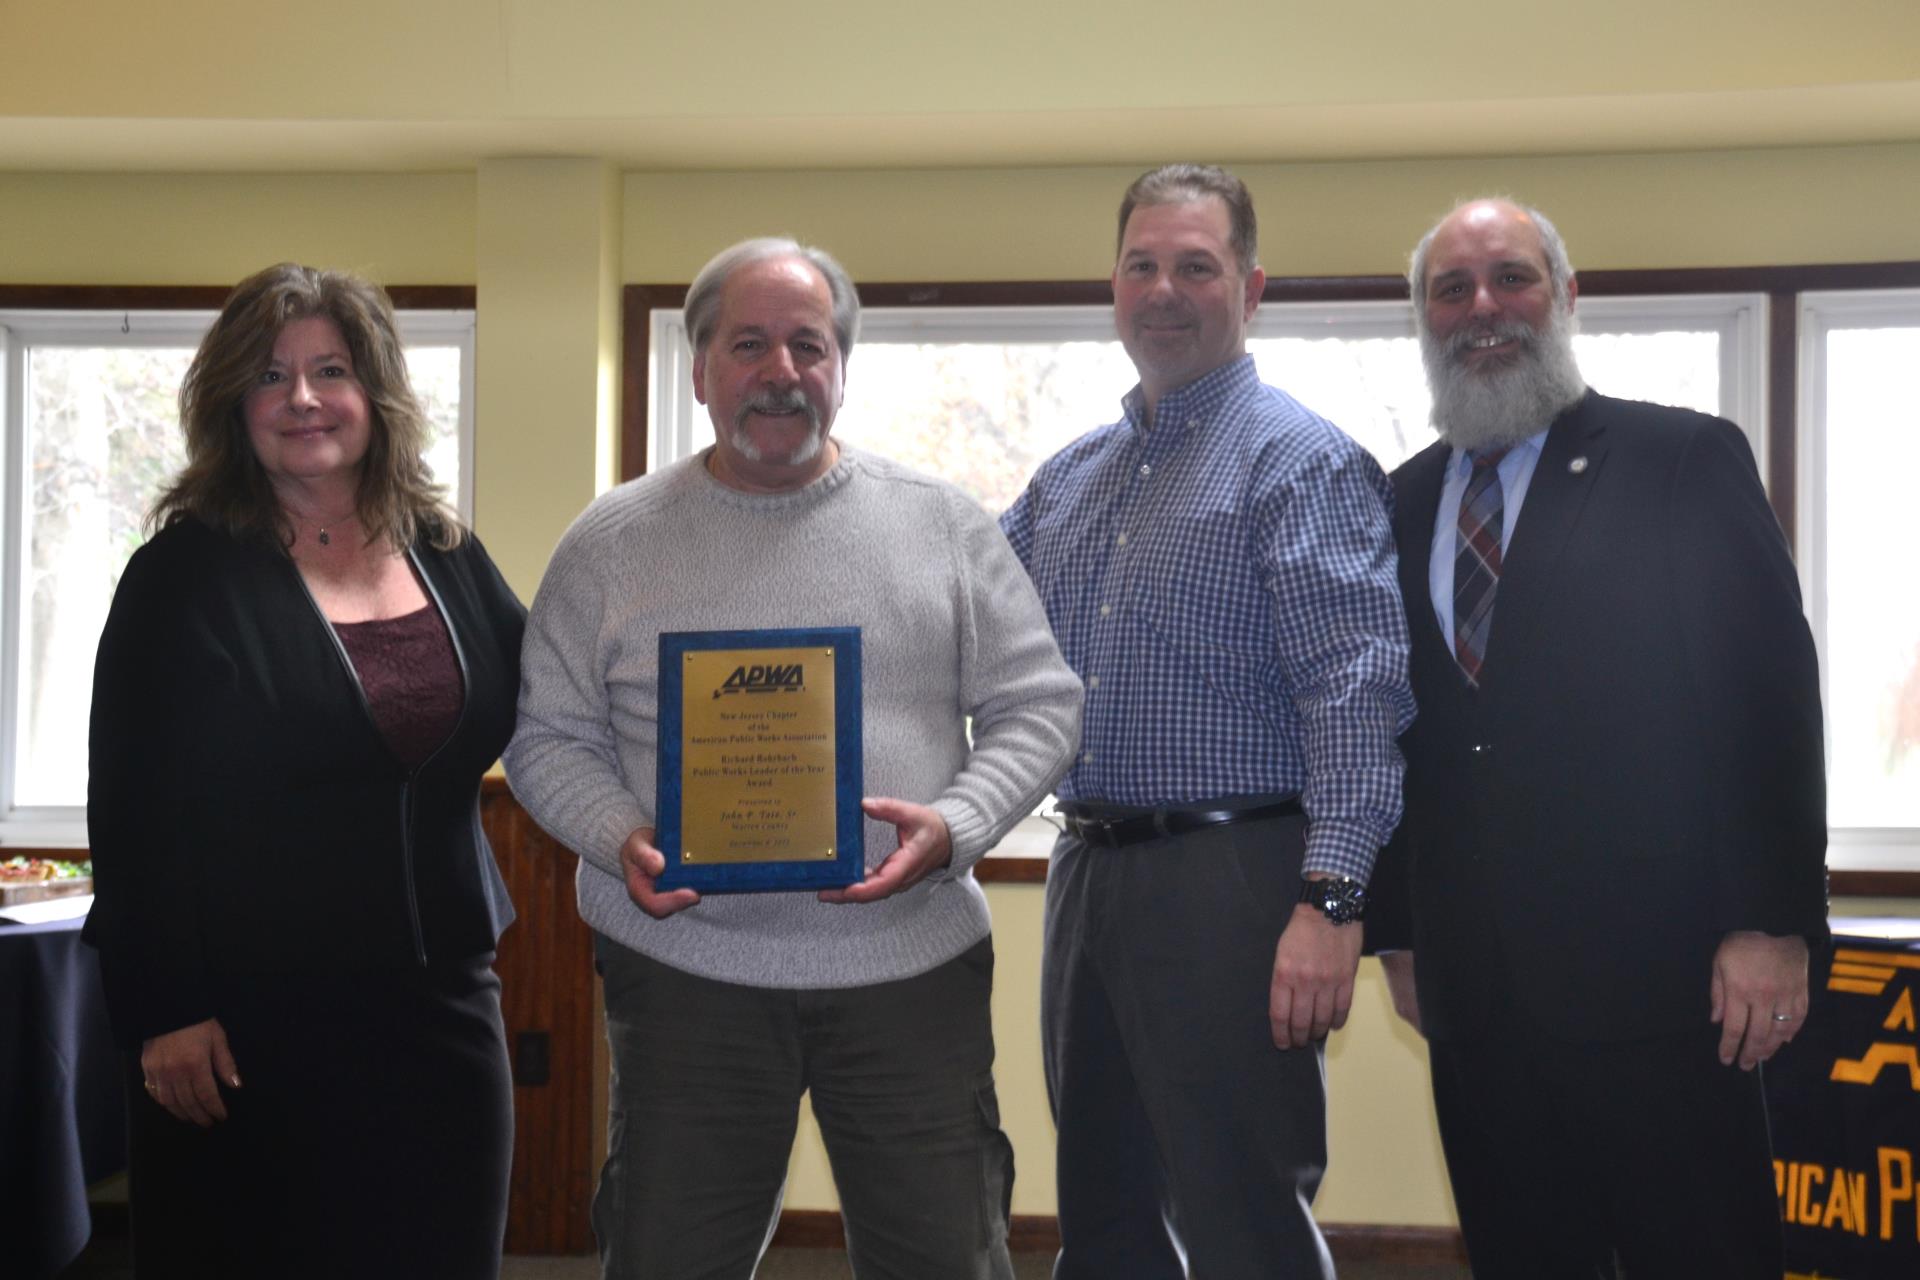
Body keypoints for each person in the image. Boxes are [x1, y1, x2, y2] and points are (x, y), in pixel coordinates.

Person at [503, 236, 1082, 1280]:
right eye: (749, 343)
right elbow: (547, 733)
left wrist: (955, 825)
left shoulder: (940, 522)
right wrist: (617, 832)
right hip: (688, 976)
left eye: (807, 345)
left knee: (945, 1254)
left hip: (908, 968)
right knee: (667, 1255)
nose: (781, 371)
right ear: (699, 370)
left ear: (842, 367)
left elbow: (1039, 704)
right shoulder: (611, 539)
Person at [1367, 197, 1828, 1278]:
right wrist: (1398, 926)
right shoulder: (1400, 498)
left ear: (1566, 297)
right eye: (1452, 287)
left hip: (1666, 988)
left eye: (1512, 277)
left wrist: (1770, 922)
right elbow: (1383, 721)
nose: (1484, 307)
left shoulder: (1681, 459)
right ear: (1423, 319)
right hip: (1474, 994)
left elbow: (1767, 698)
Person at [1000, 163, 1414, 1279]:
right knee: (1104, 1209)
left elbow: (1356, 691)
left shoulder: (1300, 460)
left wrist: (1332, 898)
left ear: (1252, 285)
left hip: (1236, 877)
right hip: (1087, 871)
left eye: (1197, 265)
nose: (1165, 290)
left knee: (1243, 1217)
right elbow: (955, 627)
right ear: (1114, 284)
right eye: (1143, 264)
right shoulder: (1069, 479)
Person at [85, 263, 526, 1278]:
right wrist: (162, 1006)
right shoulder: (180, 576)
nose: (303, 399)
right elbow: (133, 803)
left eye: (331, 369)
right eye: (270, 376)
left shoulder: (447, 552)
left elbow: (547, 701)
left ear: (376, 394)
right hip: (240, 1026)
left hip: (441, 1004)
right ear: (232, 403)